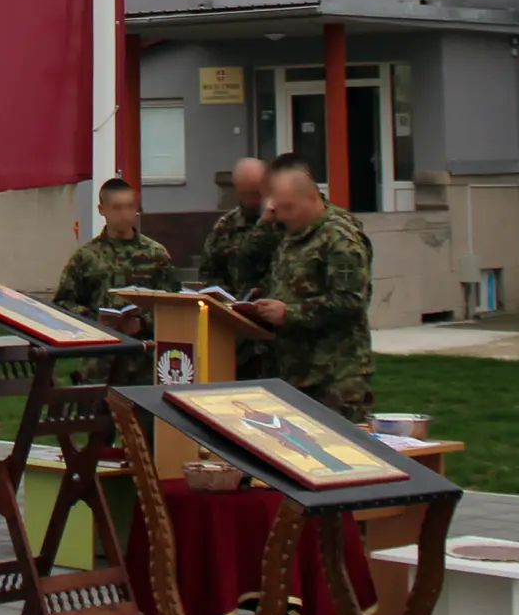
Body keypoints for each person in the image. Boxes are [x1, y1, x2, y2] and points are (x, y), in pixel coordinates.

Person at [246, 163, 375, 423]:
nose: (282, 216)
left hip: (333, 377)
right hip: (292, 371)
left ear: (313, 198)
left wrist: (289, 313)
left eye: (289, 208)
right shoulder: (291, 234)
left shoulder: (339, 240)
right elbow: (249, 260)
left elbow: (349, 302)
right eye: (278, 209)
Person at [53, 178, 180, 383]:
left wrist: (143, 323)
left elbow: (175, 305)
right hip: (100, 361)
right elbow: (62, 304)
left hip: (146, 362)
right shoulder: (86, 257)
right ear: (102, 210)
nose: (124, 214)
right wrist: (95, 320)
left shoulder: (156, 254)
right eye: (117, 208)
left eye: (130, 207)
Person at [199, 157, 276, 298]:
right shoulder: (226, 225)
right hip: (235, 308)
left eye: (256, 193)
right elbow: (209, 271)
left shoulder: (284, 218)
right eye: (246, 194)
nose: (252, 201)